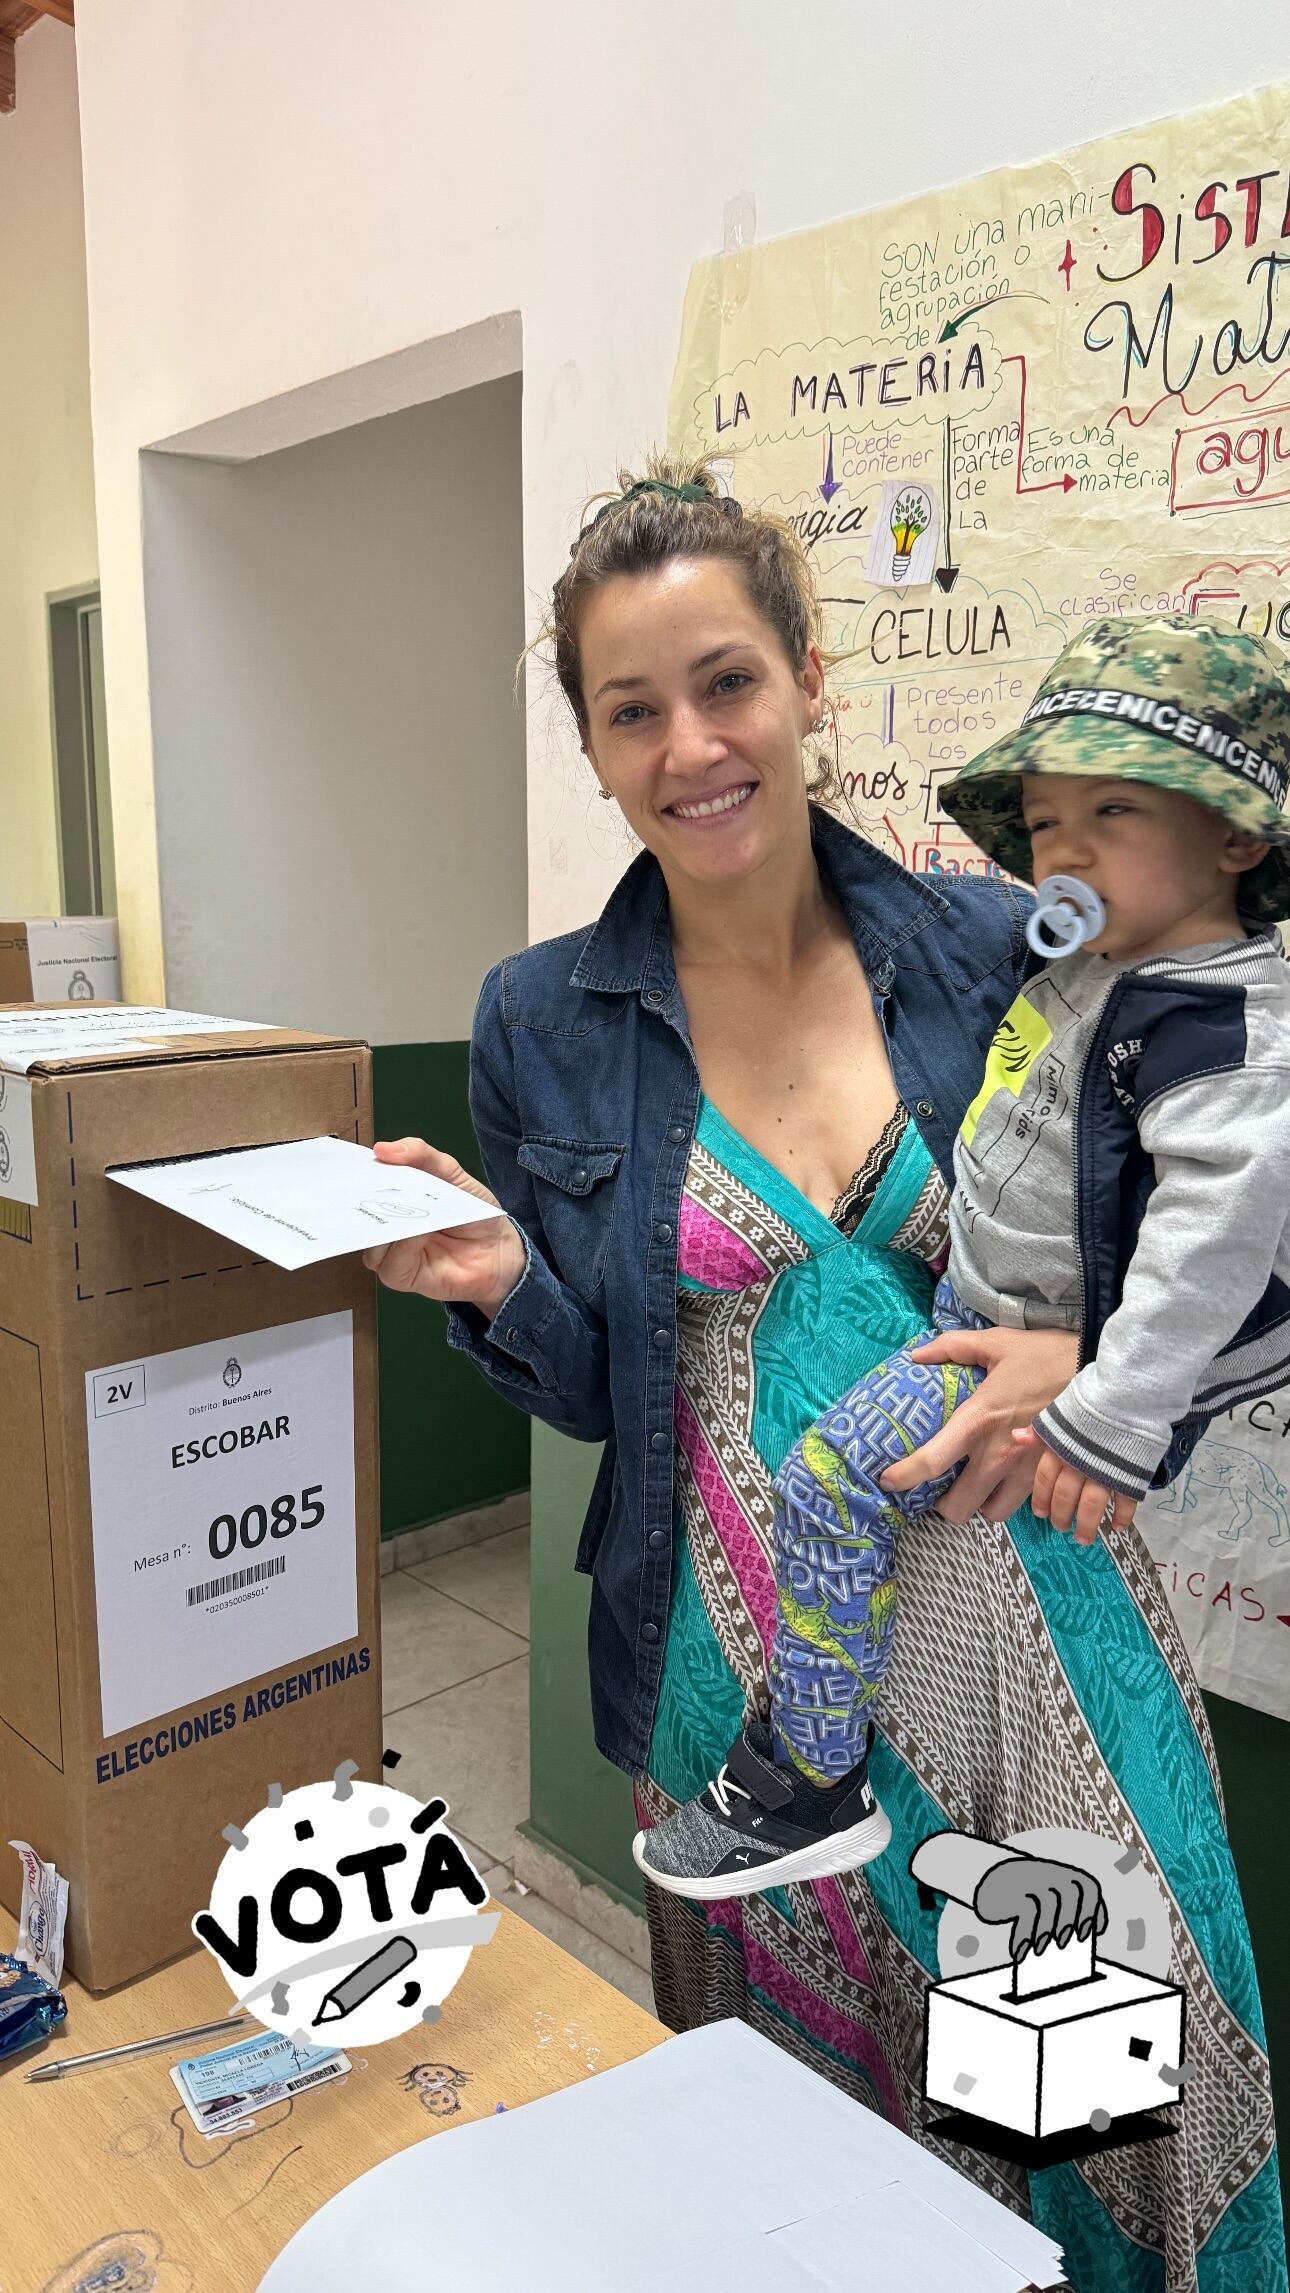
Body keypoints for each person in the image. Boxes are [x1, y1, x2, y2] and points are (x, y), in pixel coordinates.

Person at [364, 464, 1284, 2290]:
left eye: (727, 682)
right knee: (801, 2163)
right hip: (746, 1695)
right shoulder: (538, 1016)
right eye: (633, 710)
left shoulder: (989, 934)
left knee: (1069, 2108)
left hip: (1038, 1655)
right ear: (594, 744)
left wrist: (1097, 1362)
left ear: (805, 681)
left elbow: (1246, 1186)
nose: (691, 744)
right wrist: (492, 1281)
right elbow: (587, 1387)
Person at [636, 611, 1290, 1912]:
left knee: (829, 1479)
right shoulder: (1099, 974)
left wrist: (1103, 1408)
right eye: (1045, 822)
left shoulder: (1217, 1027)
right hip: (978, 1314)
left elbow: (1216, 1242)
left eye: (1112, 809)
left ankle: (806, 1773)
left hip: (1044, 1368)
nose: (1064, 849)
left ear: (1233, 836)